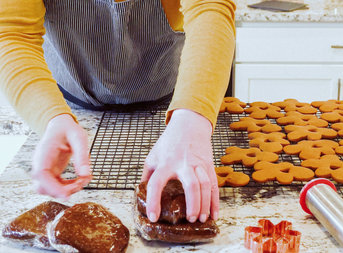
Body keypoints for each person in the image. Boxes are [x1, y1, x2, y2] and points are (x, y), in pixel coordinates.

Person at [0, 0, 236, 224]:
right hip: (65, 104)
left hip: (174, 105)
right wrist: (50, 116)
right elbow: (13, 35)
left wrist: (191, 118)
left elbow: (209, 8)